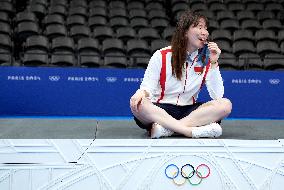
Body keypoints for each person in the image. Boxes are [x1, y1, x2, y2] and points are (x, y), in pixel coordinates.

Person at [129, 10, 232, 139]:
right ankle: (189, 131)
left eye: (206, 28)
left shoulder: (206, 60)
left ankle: (168, 130)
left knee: (225, 105)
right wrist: (141, 93)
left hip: (189, 112)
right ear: (184, 32)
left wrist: (214, 63)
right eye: (199, 27)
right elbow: (147, 87)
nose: (205, 32)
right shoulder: (161, 55)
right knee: (140, 104)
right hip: (161, 109)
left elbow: (217, 96)